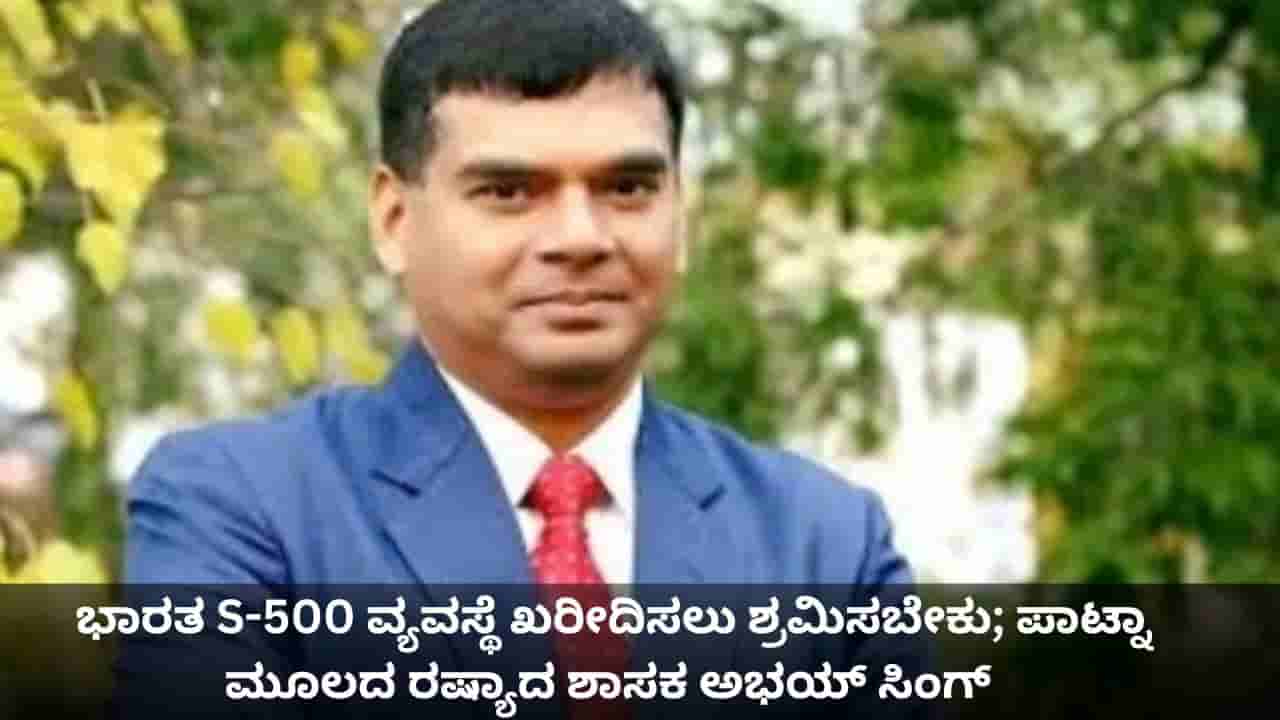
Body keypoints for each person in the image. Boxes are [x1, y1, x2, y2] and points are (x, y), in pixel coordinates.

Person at [119, 2, 924, 717]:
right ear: (395, 220)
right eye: (509, 192)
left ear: (681, 213)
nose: (580, 238)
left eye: (627, 188)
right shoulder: (244, 511)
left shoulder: (823, 545)